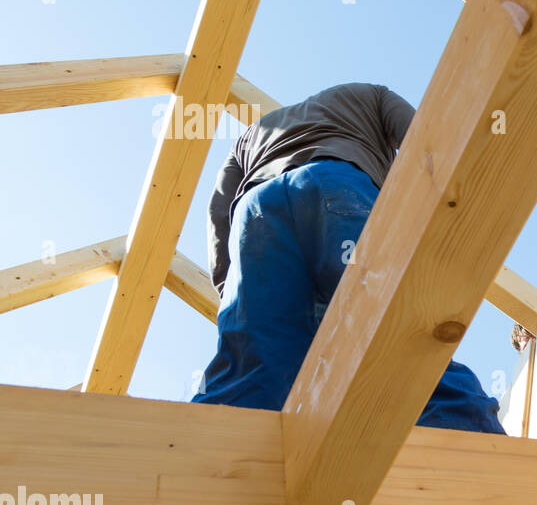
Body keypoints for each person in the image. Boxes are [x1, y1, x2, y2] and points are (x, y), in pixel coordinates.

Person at [191, 82, 505, 434]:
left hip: (258, 211)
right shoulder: (370, 95)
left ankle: (211, 455)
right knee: (392, 331)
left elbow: (220, 213)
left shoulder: (251, 135)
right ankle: (467, 438)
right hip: (337, 186)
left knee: (254, 360)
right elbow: (425, 145)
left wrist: (234, 292)